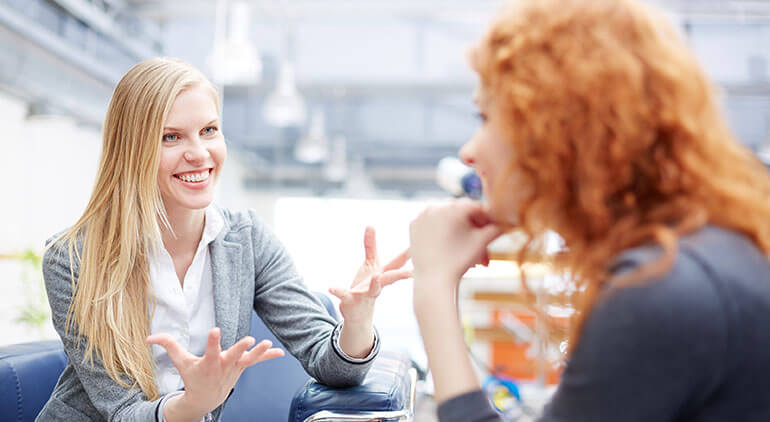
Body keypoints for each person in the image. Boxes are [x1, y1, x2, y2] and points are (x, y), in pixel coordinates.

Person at [408, 0, 770, 421]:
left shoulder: (655, 291)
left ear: (558, 126)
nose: (469, 152)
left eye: (485, 116)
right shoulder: (703, 257)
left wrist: (432, 287)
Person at [37, 57, 410, 421]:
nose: (199, 154)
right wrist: (194, 403)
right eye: (171, 137)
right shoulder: (72, 258)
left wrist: (358, 322)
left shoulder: (247, 241)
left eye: (209, 131)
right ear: (132, 150)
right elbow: (120, 412)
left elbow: (335, 369)